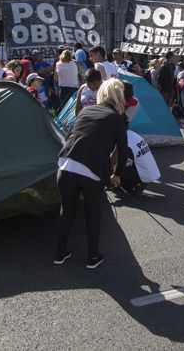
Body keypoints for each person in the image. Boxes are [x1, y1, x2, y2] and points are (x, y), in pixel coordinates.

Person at [55, 78, 128, 269]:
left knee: (66, 211)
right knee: (92, 214)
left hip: (65, 164)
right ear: (119, 97)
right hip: (90, 169)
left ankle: (60, 252)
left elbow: (70, 135)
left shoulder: (85, 111)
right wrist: (116, 174)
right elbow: (122, 150)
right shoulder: (116, 118)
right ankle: (92, 257)